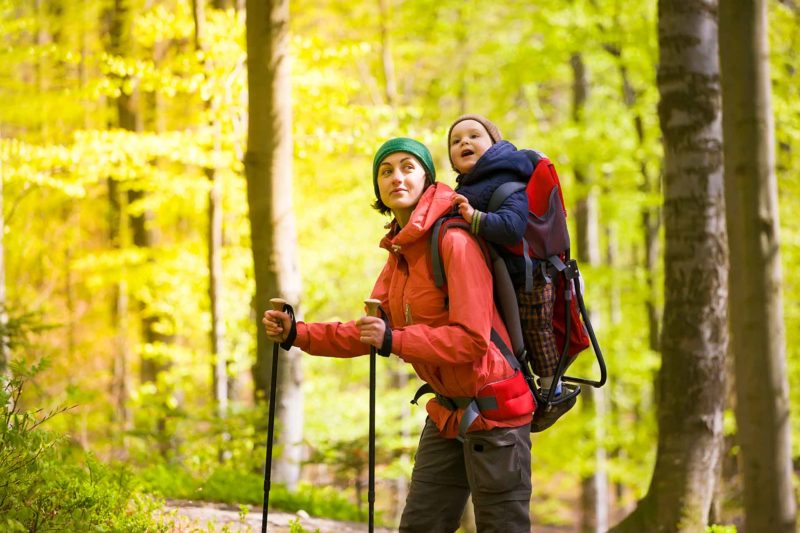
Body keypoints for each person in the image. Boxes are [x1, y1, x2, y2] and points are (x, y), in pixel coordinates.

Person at [263, 137, 533, 532]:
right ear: (378, 188)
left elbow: (473, 341)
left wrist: (397, 340)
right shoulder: (401, 253)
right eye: (386, 171)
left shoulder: (454, 241)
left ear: (427, 178)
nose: (396, 177)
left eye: (408, 167)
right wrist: (297, 333)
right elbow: (370, 332)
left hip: (496, 416)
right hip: (447, 413)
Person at [448, 114, 575, 431]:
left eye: (474, 136)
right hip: (503, 279)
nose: (465, 142)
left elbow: (512, 226)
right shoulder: (471, 186)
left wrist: (475, 218)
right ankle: (526, 388)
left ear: (494, 144)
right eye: (456, 140)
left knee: (537, 334)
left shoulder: (507, 181)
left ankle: (552, 390)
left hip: (530, 278)